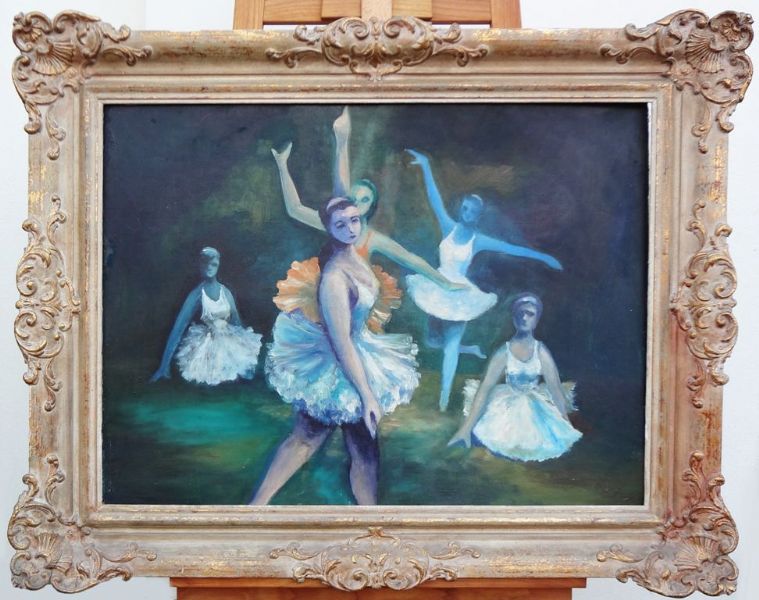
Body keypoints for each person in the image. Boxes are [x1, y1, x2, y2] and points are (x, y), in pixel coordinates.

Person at [251, 197, 420, 505]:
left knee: (361, 448)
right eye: (340, 224)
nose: (350, 228)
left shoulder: (356, 257)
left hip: (360, 354)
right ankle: (255, 507)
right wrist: (367, 395)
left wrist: (341, 147)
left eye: (354, 220)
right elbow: (341, 341)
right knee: (309, 438)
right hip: (338, 367)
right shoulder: (333, 277)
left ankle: (370, 518)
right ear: (329, 229)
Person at [270, 108, 463, 332]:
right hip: (332, 291)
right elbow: (295, 209)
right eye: (353, 199)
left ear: (371, 205)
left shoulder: (373, 238)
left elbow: (410, 259)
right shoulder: (335, 225)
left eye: (364, 200)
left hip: (356, 294)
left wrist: (445, 282)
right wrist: (282, 166)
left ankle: (342, 138)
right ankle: (342, 138)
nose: (357, 203)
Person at [404, 149, 563, 411]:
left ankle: (444, 397)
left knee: (451, 345)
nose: (466, 212)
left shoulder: (479, 240)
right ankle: (469, 349)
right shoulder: (448, 227)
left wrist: (544, 257)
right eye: (464, 208)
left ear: (477, 216)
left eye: (472, 211)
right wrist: (426, 166)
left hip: (459, 292)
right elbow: (434, 200)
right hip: (437, 284)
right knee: (433, 341)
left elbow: (513, 249)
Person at [448, 294, 581, 461]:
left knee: (537, 436)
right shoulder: (504, 351)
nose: (524, 318)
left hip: (533, 404)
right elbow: (485, 388)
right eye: (520, 313)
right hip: (507, 403)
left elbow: (555, 388)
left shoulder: (540, 351)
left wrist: (565, 422)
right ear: (514, 317)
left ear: (536, 319)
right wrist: (465, 429)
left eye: (530, 314)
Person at [149, 247, 262, 385]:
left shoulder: (225, 291)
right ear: (200, 265)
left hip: (229, 340)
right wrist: (164, 366)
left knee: (240, 373)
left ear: (218, 265)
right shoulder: (197, 293)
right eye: (205, 263)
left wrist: (246, 349)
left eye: (213, 264)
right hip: (209, 343)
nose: (209, 267)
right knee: (211, 376)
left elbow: (236, 322)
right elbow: (179, 327)